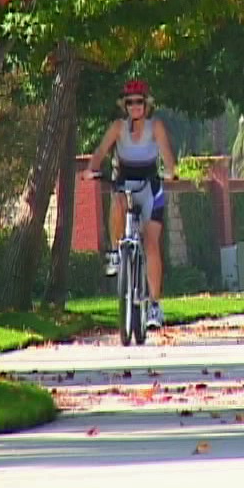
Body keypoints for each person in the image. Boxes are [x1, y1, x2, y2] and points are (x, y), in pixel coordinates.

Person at [83, 79, 177, 329]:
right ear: (125, 106)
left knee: (152, 244)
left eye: (139, 102)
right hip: (125, 184)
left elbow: (168, 158)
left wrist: (170, 172)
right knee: (117, 200)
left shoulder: (155, 127)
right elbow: (100, 152)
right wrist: (90, 170)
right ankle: (115, 252)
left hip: (149, 187)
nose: (135, 106)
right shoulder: (118, 128)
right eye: (130, 102)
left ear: (146, 105)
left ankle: (155, 305)